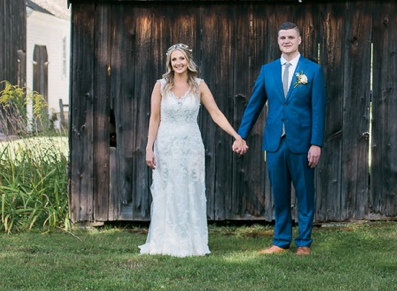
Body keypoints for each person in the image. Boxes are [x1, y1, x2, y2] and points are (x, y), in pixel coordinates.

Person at [139, 43, 248, 257]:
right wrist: (148, 147)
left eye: (182, 59)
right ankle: (166, 242)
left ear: (188, 61)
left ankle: (193, 242)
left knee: (191, 190)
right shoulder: (160, 86)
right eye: (174, 60)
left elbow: (215, 113)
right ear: (169, 63)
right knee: (168, 191)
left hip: (191, 146)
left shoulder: (199, 85)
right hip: (167, 145)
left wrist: (236, 135)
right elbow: (154, 118)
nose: (178, 63)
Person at [237, 22, 326, 256]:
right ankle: (281, 240)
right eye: (282, 38)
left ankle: (304, 242)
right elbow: (254, 104)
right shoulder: (268, 70)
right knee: (280, 193)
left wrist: (316, 143)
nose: (286, 41)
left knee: (305, 193)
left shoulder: (312, 71)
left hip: (302, 141)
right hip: (275, 141)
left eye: (290, 37)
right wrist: (241, 135)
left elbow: (318, 110)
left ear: (299, 40)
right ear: (278, 41)